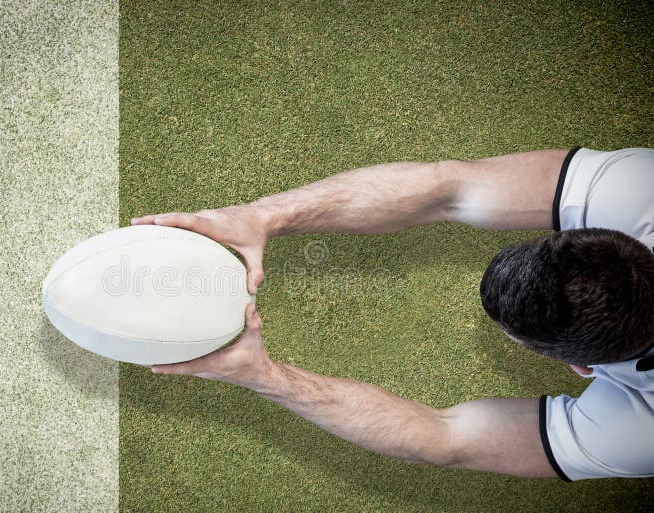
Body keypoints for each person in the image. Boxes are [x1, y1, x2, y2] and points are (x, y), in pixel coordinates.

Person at [132, 147, 654, 481]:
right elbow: (449, 192)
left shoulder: (638, 435)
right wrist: (263, 216)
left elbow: (447, 438)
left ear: (580, 365)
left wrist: (266, 377)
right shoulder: (638, 187)